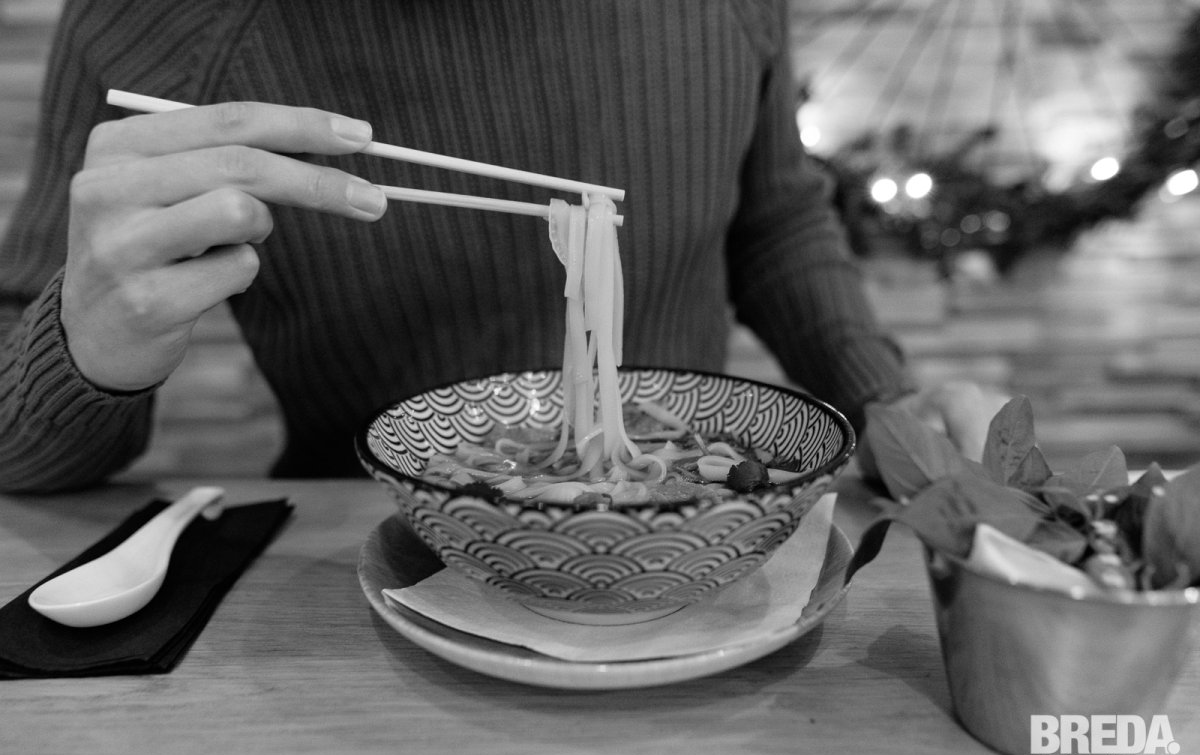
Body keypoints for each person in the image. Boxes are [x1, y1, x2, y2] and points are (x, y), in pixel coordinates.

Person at [0, 0, 994, 494]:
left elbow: (774, 216)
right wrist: (89, 343)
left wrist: (885, 404)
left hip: (691, 524)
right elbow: (20, 449)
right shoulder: (165, 25)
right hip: (364, 566)